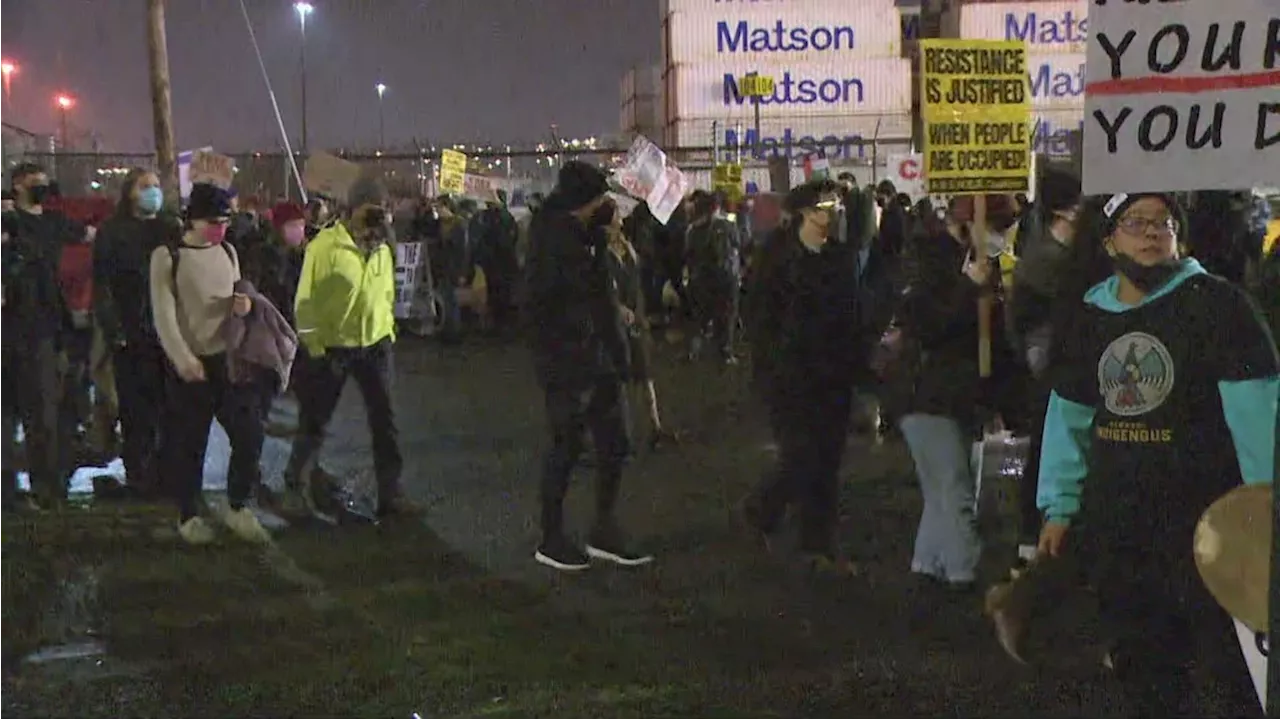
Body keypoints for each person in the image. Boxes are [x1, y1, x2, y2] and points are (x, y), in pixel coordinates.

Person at [1037, 192, 1274, 715]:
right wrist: (1059, 506)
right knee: (1143, 667)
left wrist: (1266, 501)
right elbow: (1069, 417)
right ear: (1107, 240)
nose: (1150, 233)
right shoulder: (1090, 318)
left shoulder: (1218, 305)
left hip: (1209, 528)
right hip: (1119, 528)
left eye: (1162, 223)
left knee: (1229, 671)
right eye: (1134, 222)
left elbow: (1257, 413)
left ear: (1179, 237)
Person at [526, 161, 651, 572]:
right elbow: (562, 304)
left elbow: (602, 302)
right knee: (566, 448)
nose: (608, 205)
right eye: (601, 198)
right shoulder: (553, 241)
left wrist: (619, 356)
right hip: (569, 363)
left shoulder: (585, 238)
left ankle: (603, 529)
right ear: (585, 201)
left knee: (615, 443)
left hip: (600, 362)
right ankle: (552, 536)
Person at [740, 180, 859, 575]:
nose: (835, 211)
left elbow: (850, 312)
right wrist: (772, 365)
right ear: (807, 211)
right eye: (828, 204)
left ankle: (819, 543)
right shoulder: (777, 258)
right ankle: (764, 509)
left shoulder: (840, 258)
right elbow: (760, 318)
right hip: (790, 375)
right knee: (800, 456)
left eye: (839, 204)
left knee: (828, 460)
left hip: (834, 373)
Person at [287, 176, 419, 519]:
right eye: (369, 211)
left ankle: (391, 494)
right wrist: (315, 346)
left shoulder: (383, 246)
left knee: (385, 423)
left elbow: (386, 291)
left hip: (375, 344)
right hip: (333, 348)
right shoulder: (325, 247)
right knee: (315, 420)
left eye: (382, 211)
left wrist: (387, 329)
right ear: (350, 210)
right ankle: (296, 487)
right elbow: (305, 302)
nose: (376, 218)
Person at [151, 182, 272, 545]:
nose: (220, 228)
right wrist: (183, 359)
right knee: (190, 444)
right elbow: (164, 315)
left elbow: (237, 293)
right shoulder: (167, 256)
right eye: (213, 221)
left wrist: (244, 306)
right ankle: (188, 514)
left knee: (250, 433)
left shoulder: (229, 251)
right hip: (191, 366)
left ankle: (237, 504)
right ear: (193, 219)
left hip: (229, 362)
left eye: (225, 220)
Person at [94, 168, 174, 498]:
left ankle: (164, 475)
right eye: (145, 186)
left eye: (156, 186)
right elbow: (103, 284)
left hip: (166, 331)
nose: (152, 192)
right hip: (131, 331)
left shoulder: (168, 229)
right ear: (130, 192)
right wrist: (115, 330)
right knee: (135, 409)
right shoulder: (113, 232)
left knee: (167, 408)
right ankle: (139, 475)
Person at [1, 163, 74, 508]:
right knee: (6, 415)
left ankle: (46, 488)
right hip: (8, 326)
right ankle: (7, 491)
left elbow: (91, 235)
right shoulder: (7, 223)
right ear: (18, 185)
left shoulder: (52, 223)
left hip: (41, 328)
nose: (42, 187)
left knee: (42, 414)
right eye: (36, 182)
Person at [607, 204, 675, 450]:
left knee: (645, 374)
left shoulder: (628, 249)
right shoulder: (600, 254)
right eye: (616, 217)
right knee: (619, 379)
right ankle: (619, 433)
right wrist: (616, 307)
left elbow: (637, 285)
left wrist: (640, 313)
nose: (621, 221)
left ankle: (655, 427)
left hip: (636, 319)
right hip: (614, 324)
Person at [684, 190, 742, 365]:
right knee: (727, 315)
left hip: (701, 278)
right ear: (716, 208)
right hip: (726, 277)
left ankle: (694, 351)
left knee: (700, 316)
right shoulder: (728, 225)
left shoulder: (692, 230)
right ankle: (726, 352)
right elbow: (739, 243)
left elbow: (688, 254)